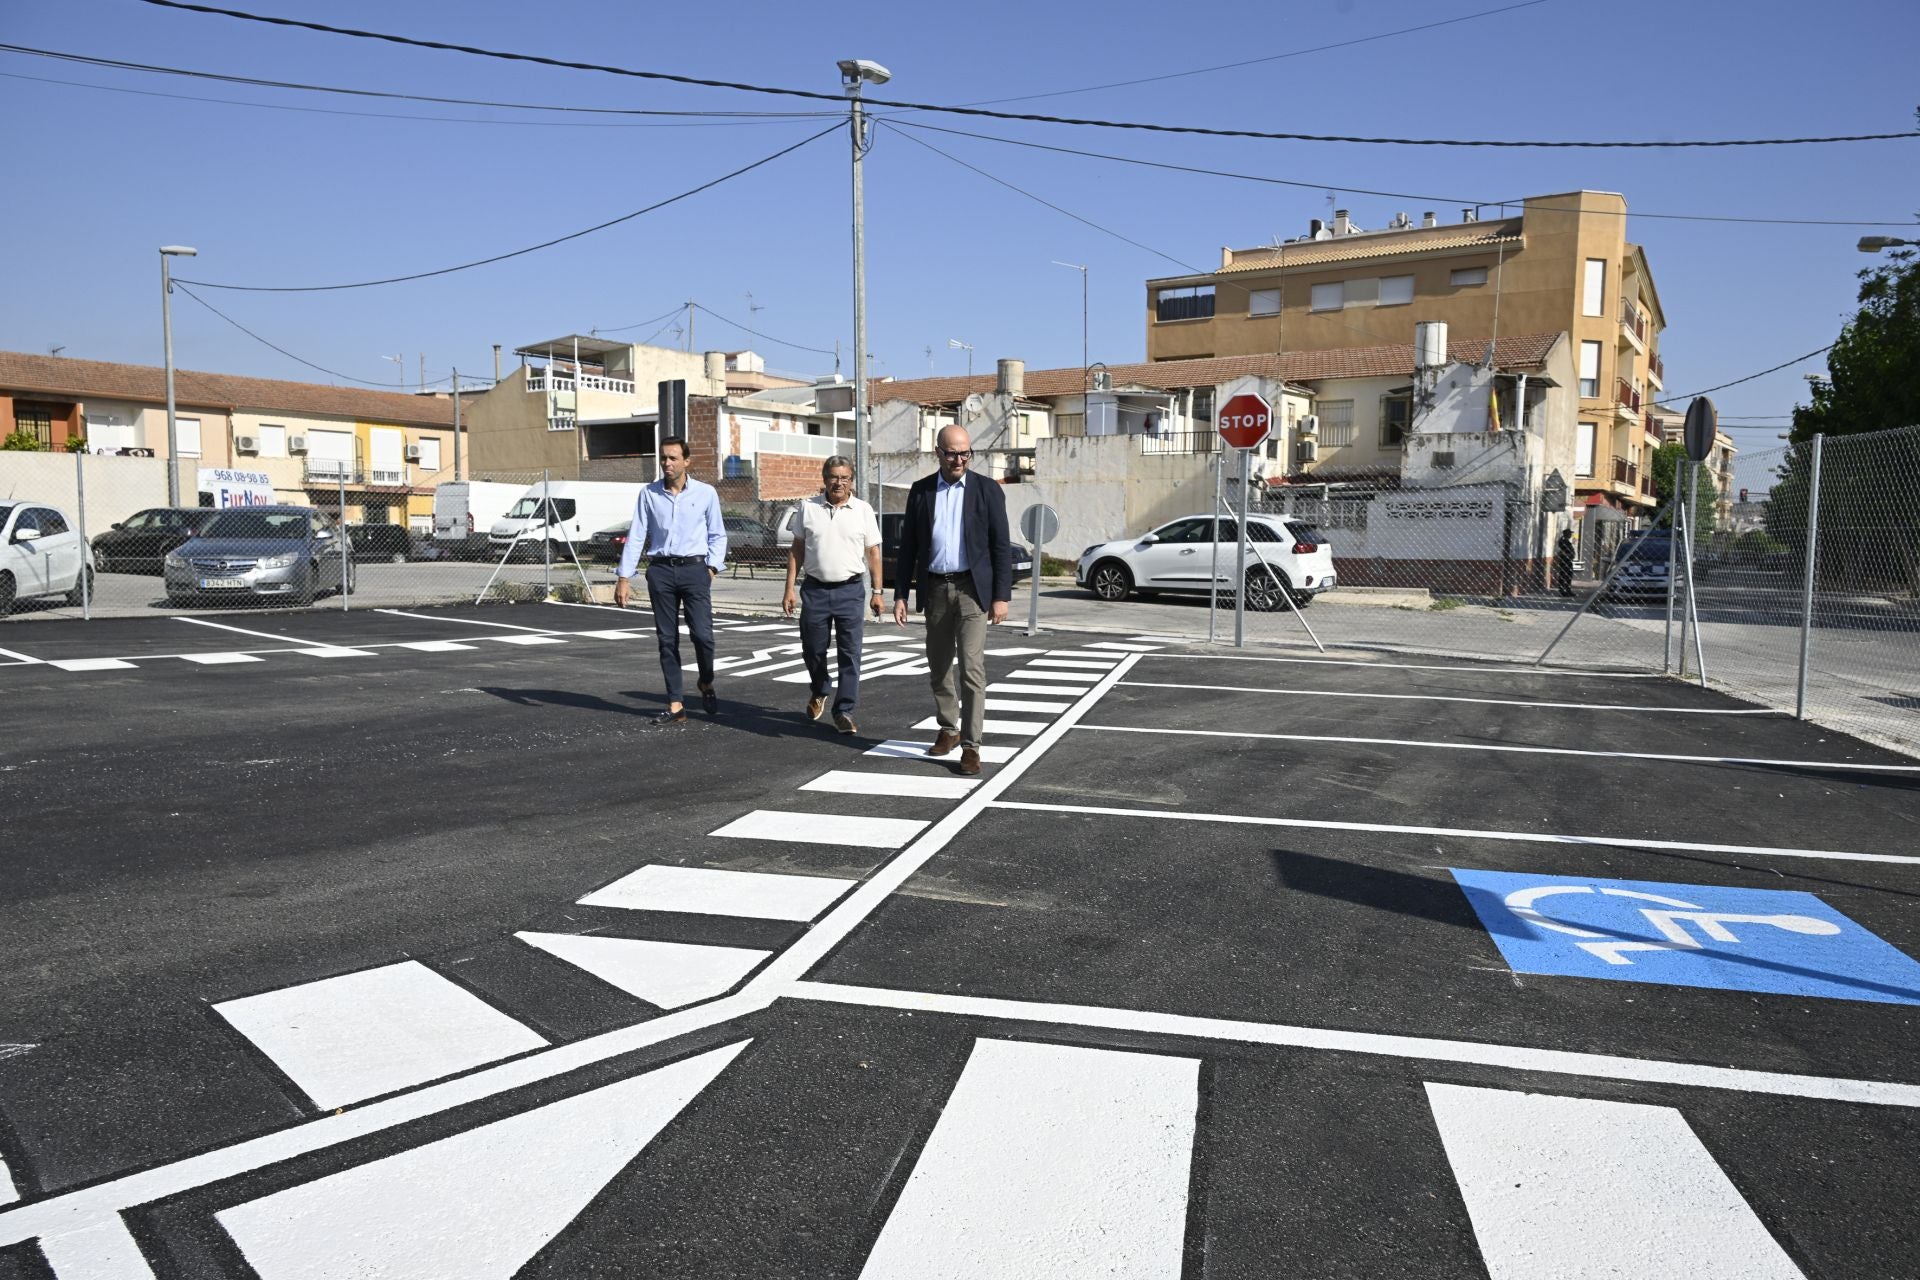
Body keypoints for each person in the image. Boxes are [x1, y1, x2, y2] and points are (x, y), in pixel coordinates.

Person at [892, 425, 1012, 776]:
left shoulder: (987, 490)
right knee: (939, 665)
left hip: (973, 590)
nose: (958, 460)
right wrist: (899, 593)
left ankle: (972, 747)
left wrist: (1001, 596)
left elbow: (1000, 546)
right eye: (951, 453)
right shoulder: (921, 491)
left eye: (965, 453)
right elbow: (908, 550)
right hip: (935, 590)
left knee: (972, 669)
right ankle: (949, 728)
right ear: (938, 452)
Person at [612, 436, 728, 725]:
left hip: (695, 570)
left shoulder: (705, 493)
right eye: (663, 457)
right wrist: (624, 577)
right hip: (661, 571)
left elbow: (718, 534)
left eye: (673, 458)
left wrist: (711, 569)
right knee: (667, 640)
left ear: (686, 461)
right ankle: (676, 704)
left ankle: (706, 681)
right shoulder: (649, 494)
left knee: (703, 636)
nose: (666, 463)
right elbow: (637, 534)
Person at [783, 456, 885, 735]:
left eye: (845, 477)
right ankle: (820, 688)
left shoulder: (863, 510)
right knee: (812, 649)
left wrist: (877, 592)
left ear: (851, 481)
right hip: (815, 590)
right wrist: (789, 588)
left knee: (850, 654)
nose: (838, 482)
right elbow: (797, 550)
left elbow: (874, 552)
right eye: (833, 477)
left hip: (851, 591)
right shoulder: (808, 508)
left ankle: (844, 710)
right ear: (824, 478)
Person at [1554, 527, 1575, 597]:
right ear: (1567, 534)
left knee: (1568, 576)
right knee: (1564, 576)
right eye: (1570, 534)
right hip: (1565, 561)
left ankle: (1567, 590)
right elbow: (1562, 552)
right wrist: (1568, 555)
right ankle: (1563, 590)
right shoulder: (1563, 542)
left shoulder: (1566, 541)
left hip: (1568, 561)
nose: (1571, 535)